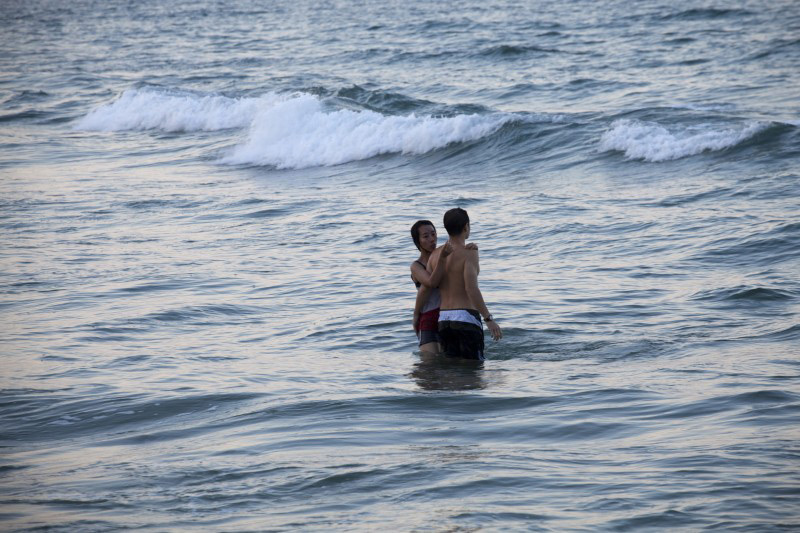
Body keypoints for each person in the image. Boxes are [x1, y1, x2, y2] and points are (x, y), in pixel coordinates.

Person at [427, 208, 502, 361]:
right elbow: (471, 288)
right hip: (466, 318)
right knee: (473, 371)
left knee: (452, 371)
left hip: (444, 319)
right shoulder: (470, 253)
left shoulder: (435, 255)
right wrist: (489, 319)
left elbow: (430, 285)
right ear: (466, 227)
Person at [409, 220, 452, 354]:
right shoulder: (416, 266)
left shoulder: (445, 256)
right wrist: (416, 314)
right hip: (428, 318)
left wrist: (470, 248)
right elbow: (430, 283)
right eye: (426, 236)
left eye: (433, 234)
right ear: (418, 241)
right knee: (428, 368)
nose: (432, 239)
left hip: (448, 316)